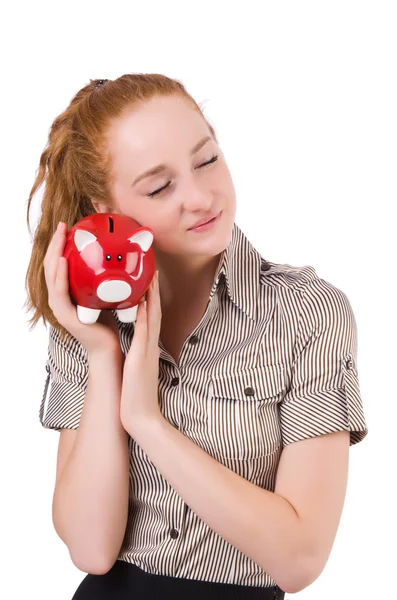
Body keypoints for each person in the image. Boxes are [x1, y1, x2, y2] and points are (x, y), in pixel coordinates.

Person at [25, 73, 369, 600]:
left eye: (207, 160)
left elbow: (300, 559)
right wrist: (102, 357)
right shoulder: (89, 324)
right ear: (104, 209)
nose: (201, 196)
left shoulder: (308, 314)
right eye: (160, 186)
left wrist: (146, 421)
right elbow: (91, 550)